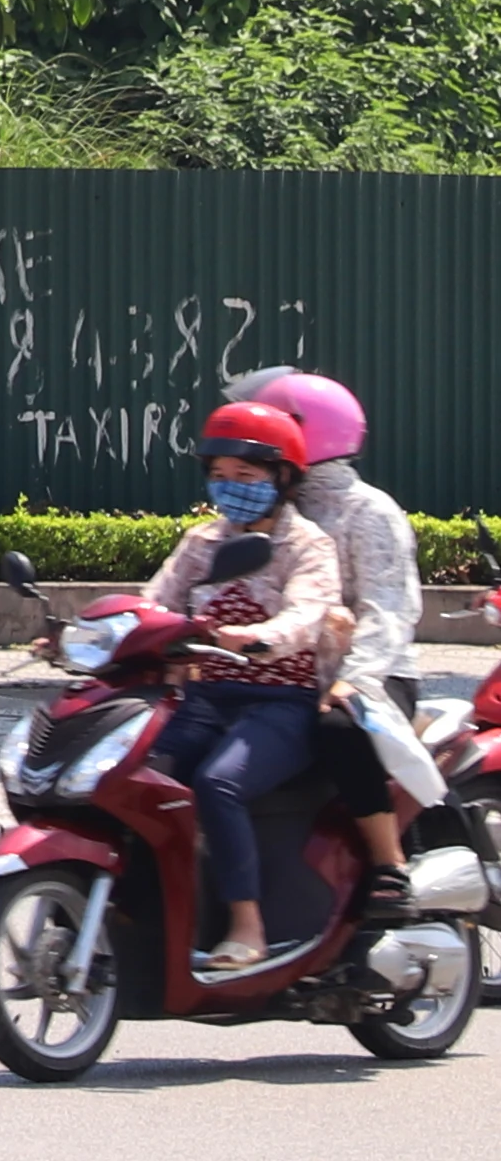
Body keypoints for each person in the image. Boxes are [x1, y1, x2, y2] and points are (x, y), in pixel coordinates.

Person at [143, 399, 348, 973]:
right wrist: (91, 634)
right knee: (135, 775)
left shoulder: (308, 546)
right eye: (220, 475)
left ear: (282, 478)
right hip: (206, 699)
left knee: (218, 784)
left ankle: (246, 926)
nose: (230, 487)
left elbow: (309, 613)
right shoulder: (202, 541)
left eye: (246, 475)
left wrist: (258, 636)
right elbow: (153, 601)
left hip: (281, 704)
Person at [234, 367, 422, 924]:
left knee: (338, 726)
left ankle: (390, 864)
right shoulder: (268, 510)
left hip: (373, 675)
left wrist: (352, 679)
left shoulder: (370, 512)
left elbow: (389, 610)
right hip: (283, 672)